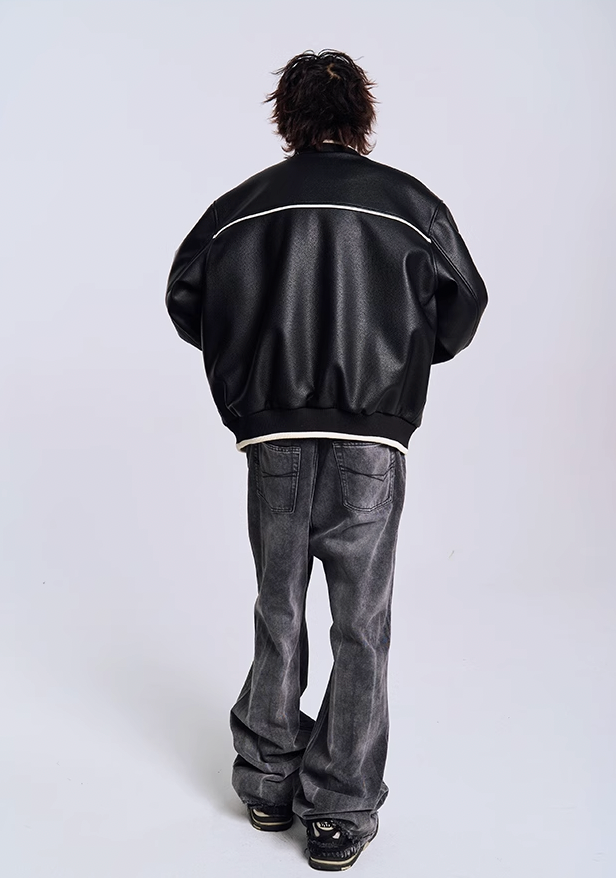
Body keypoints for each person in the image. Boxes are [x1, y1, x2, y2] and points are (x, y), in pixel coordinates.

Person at [165, 48, 488, 871]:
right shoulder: (409, 205)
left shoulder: (240, 209)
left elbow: (187, 297)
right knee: (360, 626)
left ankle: (267, 781)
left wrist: (254, 370)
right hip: (371, 438)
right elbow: (463, 305)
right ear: (361, 117)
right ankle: (338, 811)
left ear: (288, 118)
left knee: (279, 607)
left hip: (271, 435)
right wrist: (399, 360)